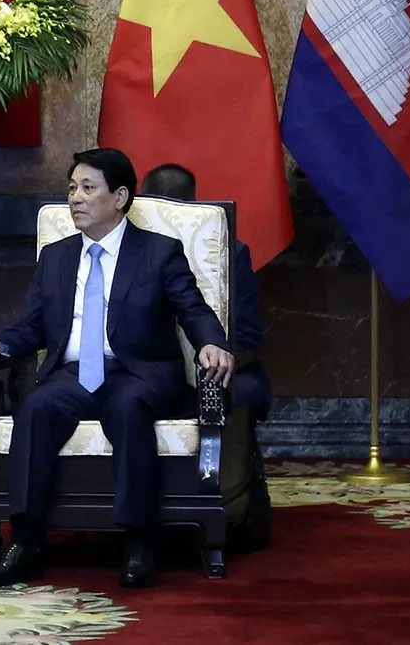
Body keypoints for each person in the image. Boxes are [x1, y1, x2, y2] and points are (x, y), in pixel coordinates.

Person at [0, 147, 233, 589]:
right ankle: (26, 542)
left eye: (88, 188)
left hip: (140, 372)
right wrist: (1, 342)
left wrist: (212, 343)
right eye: (72, 188)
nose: (75, 198)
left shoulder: (158, 252)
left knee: (127, 407)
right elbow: (32, 325)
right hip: (74, 375)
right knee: (37, 407)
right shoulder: (57, 256)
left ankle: (138, 542)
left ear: (120, 196)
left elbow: (193, 309)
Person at [140, 162, 272, 548]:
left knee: (235, 391)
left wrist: (218, 361)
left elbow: (246, 336)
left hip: (220, 370)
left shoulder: (228, 253)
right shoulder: (123, 249)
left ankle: (231, 499)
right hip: (144, 374)